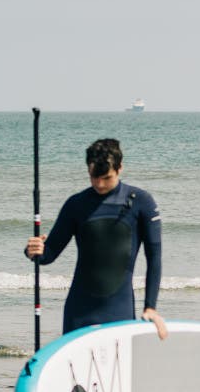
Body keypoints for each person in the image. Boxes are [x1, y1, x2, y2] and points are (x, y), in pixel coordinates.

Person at [25, 137, 166, 337]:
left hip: (119, 312)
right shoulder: (76, 204)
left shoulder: (142, 202)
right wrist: (34, 250)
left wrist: (150, 307)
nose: (99, 184)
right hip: (78, 312)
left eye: (106, 178)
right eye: (93, 177)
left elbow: (154, 258)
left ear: (120, 168)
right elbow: (48, 255)